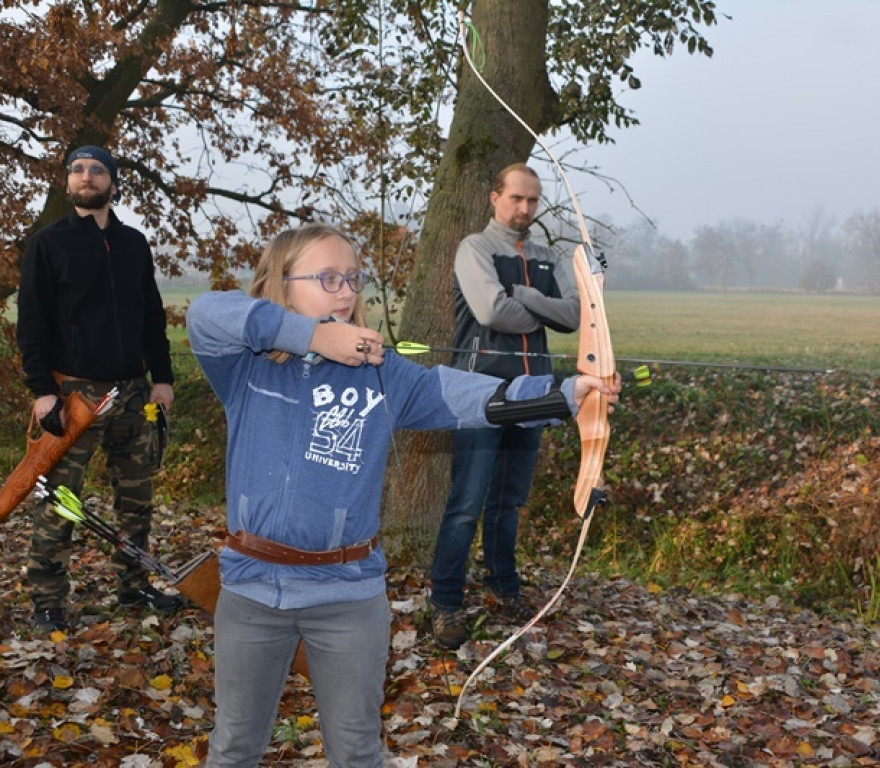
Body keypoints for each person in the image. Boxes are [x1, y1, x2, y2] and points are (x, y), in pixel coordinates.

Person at [185, 222, 617, 767]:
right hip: (250, 591)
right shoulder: (244, 366)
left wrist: (567, 393)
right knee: (233, 747)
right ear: (281, 283)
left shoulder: (385, 375)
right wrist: (313, 337)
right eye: (328, 278)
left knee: (359, 751)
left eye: (353, 280)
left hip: (347, 597)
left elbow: (475, 397)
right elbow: (205, 314)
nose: (346, 291)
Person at [16, 145, 180, 632]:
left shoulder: (134, 244)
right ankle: (48, 599)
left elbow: (153, 316)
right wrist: (42, 391)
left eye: (97, 169)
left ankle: (133, 585)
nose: (86, 176)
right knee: (61, 498)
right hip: (73, 397)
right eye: (77, 170)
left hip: (133, 393)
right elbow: (33, 324)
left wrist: (163, 379)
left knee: (137, 498)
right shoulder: (47, 245)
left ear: (112, 182)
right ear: (67, 184)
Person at [428, 163, 581, 649]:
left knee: (509, 501)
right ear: (495, 197)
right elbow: (491, 310)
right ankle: (446, 600)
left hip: (534, 391)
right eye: (516, 198)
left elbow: (576, 315)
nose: (525, 209)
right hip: (481, 392)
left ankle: (504, 584)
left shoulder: (546, 257)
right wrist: (542, 310)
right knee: (465, 504)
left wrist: (528, 295)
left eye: (533, 201)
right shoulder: (475, 248)